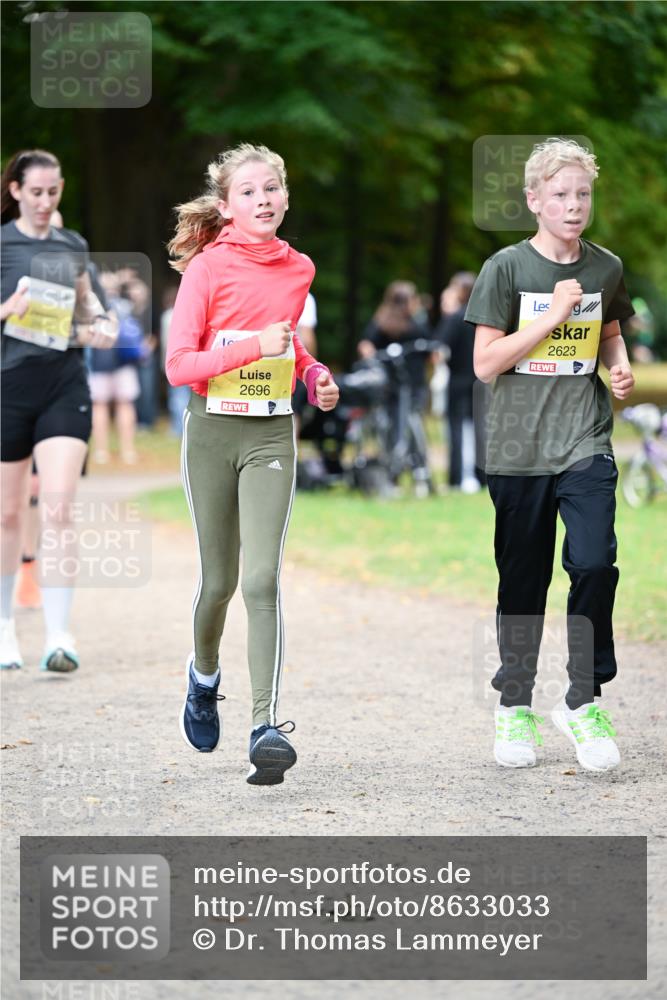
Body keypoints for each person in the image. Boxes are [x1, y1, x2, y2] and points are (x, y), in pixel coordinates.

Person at [165, 143, 338, 785]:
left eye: (271, 189)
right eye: (248, 192)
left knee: (262, 579)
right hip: (212, 432)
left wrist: (314, 375)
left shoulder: (299, 268)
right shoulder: (206, 269)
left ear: (286, 197)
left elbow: (287, 349)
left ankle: (265, 727)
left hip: (270, 434)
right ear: (226, 205)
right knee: (220, 582)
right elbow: (179, 366)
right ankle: (203, 676)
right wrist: (253, 349)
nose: (262, 200)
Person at [465, 138, 635, 772]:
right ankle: (515, 705)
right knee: (524, 580)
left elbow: (609, 333)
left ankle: (582, 699)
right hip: (517, 448)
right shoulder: (505, 269)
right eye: (560, 194)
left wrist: (619, 367)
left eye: (582, 194)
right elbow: (485, 364)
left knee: (594, 563)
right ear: (534, 200)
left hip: (583, 439)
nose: (573, 205)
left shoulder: (606, 267)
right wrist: (552, 316)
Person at [0, 149, 117, 672]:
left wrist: (102, 326)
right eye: (36, 192)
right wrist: (8, 309)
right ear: (16, 191)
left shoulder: (73, 245)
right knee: (7, 515)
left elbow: (95, 311)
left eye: (53, 192)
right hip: (8, 387)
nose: (45, 201)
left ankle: (58, 635)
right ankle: (4, 628)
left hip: (64, 384)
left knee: (59, 509)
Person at [435, 272, 485, 493]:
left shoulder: (455, 317)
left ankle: (457, 478)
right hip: (481, 379)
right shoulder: (483, 316)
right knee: (480, 428)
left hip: (457, 380)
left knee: (456, 427)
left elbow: (438, 349)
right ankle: (481, 476)